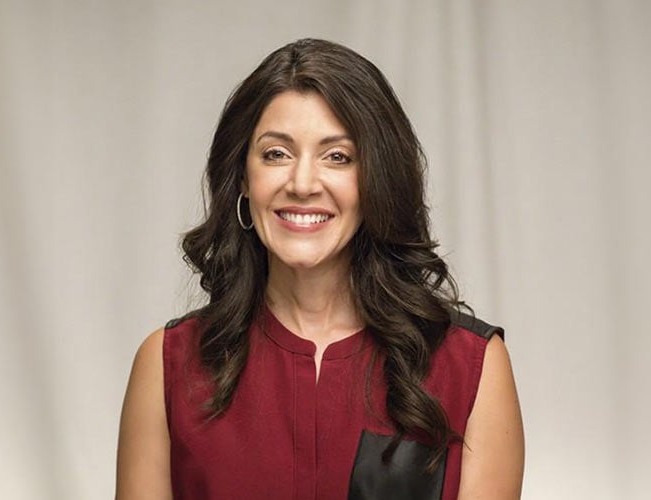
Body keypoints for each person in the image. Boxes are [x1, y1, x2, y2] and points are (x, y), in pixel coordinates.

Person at [116, 38, 524, 500]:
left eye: (338, 157)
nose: (303, 183)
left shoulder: (470, 367)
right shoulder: (168, 363)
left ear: (377, 180)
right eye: (276, 154)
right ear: (243, 181)